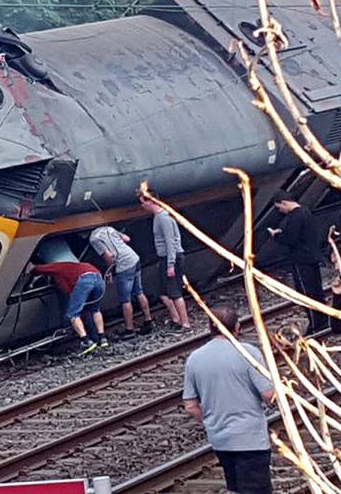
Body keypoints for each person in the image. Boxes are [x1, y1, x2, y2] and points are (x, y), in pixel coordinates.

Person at [182, 306, 275, 494]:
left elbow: (190, 406)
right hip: (251, 438)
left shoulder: (195, 358)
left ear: (210, 327)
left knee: (237, 488)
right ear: (237, 327)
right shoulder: (248, 352)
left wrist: (210, 420)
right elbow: (268, 394)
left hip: (220, 439)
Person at [268, 190, 330, 334]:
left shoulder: (295, 217)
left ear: (284, 203)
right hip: (312, 257)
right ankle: (323, 319)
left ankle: (316, 324)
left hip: (301, 259)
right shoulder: (306, 212)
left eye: (279, 207)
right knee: (317, 290)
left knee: (306, 293)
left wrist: (276, 236)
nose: (280, 211)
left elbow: (290, 238)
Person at [89, 225, 154, 338]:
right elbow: (127, 238)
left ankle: (129, 330)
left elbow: (108, 255)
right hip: (134, 258)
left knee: (125, 299)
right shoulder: (108, 228)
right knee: (139, 292)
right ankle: (148, 321)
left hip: (124, 265)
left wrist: (109, 271)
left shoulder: (94, 238)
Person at [33, 260, 110, 355]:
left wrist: (32, 270)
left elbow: (42, 269)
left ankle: (86, 341)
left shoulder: (59, 267)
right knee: (95, 310)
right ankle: (102, 339)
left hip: (84, 281)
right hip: (99, 279)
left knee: (73, 313)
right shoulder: (80, 265)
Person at [140, 197, 192, 330]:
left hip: (171, 257)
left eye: (143, 202)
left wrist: (170, 264)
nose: (142, 205)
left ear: (151, 201)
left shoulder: (163, 219)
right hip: (165, 258)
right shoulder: (158, 217)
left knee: (175, 293)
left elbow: (170, 242)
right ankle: (176, 319)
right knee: (164, 293)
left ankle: (185, 323)